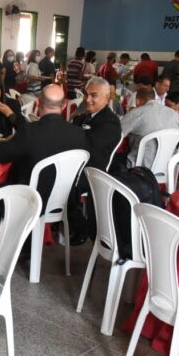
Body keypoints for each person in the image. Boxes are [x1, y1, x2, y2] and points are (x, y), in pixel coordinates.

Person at [0, 84, 89, 207]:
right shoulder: (79, 133)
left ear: (38, 102)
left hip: (29, 202)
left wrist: (2, 141)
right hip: (64, 201)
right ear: (64, 105)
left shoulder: (29, 132)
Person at [68, 77, 121, 244]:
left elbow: (89, 146)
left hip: (92, 171)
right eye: (86, 94)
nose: (87, 99)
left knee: (62, 184)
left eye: (93, 95)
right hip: (76, 163)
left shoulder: (109, 122)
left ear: (107, 97)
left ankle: (82, 226)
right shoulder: (88, 116)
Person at [120, 86, 179, 168]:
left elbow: (117, 133)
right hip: (168, 167)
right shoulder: (175, 115)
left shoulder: (137, 113)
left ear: (137, 101)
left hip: (141, 166)